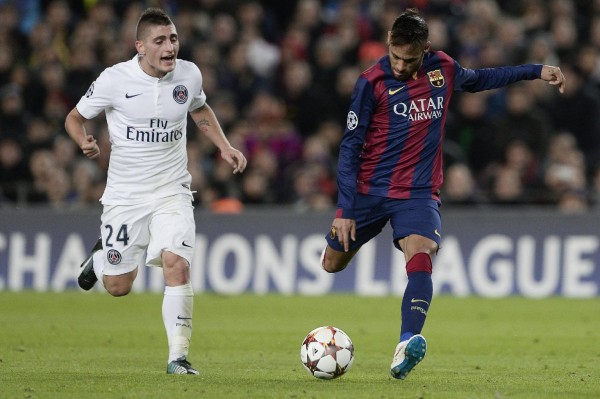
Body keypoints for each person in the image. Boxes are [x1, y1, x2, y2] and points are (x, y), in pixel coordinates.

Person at [321, 8, 565, 380]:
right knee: (331, 264)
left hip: (418, 192)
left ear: (426, 49)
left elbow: (483, 78)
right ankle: (361, 252)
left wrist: (536, 70)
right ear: (388, 43)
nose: (401, 66)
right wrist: (344, 208)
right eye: (395, 56)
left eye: (410, 58)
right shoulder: (370, 83)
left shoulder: (443, 69)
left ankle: (407, 342)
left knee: (421, 252)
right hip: (370, 191)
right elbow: (350, 147)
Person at [64, 8, 247, 375]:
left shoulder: (189, 74)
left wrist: (223, 146)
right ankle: (99, 259)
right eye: (160, 41)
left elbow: (199, 108)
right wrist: (81, 140)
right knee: (118, 286)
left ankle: (177, 358)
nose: (170, 47)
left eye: (174, 38)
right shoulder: (115, 80)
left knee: (176, 264)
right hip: (125, 196)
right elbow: (74, 116)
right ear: (140, 46)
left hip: (172, 190)